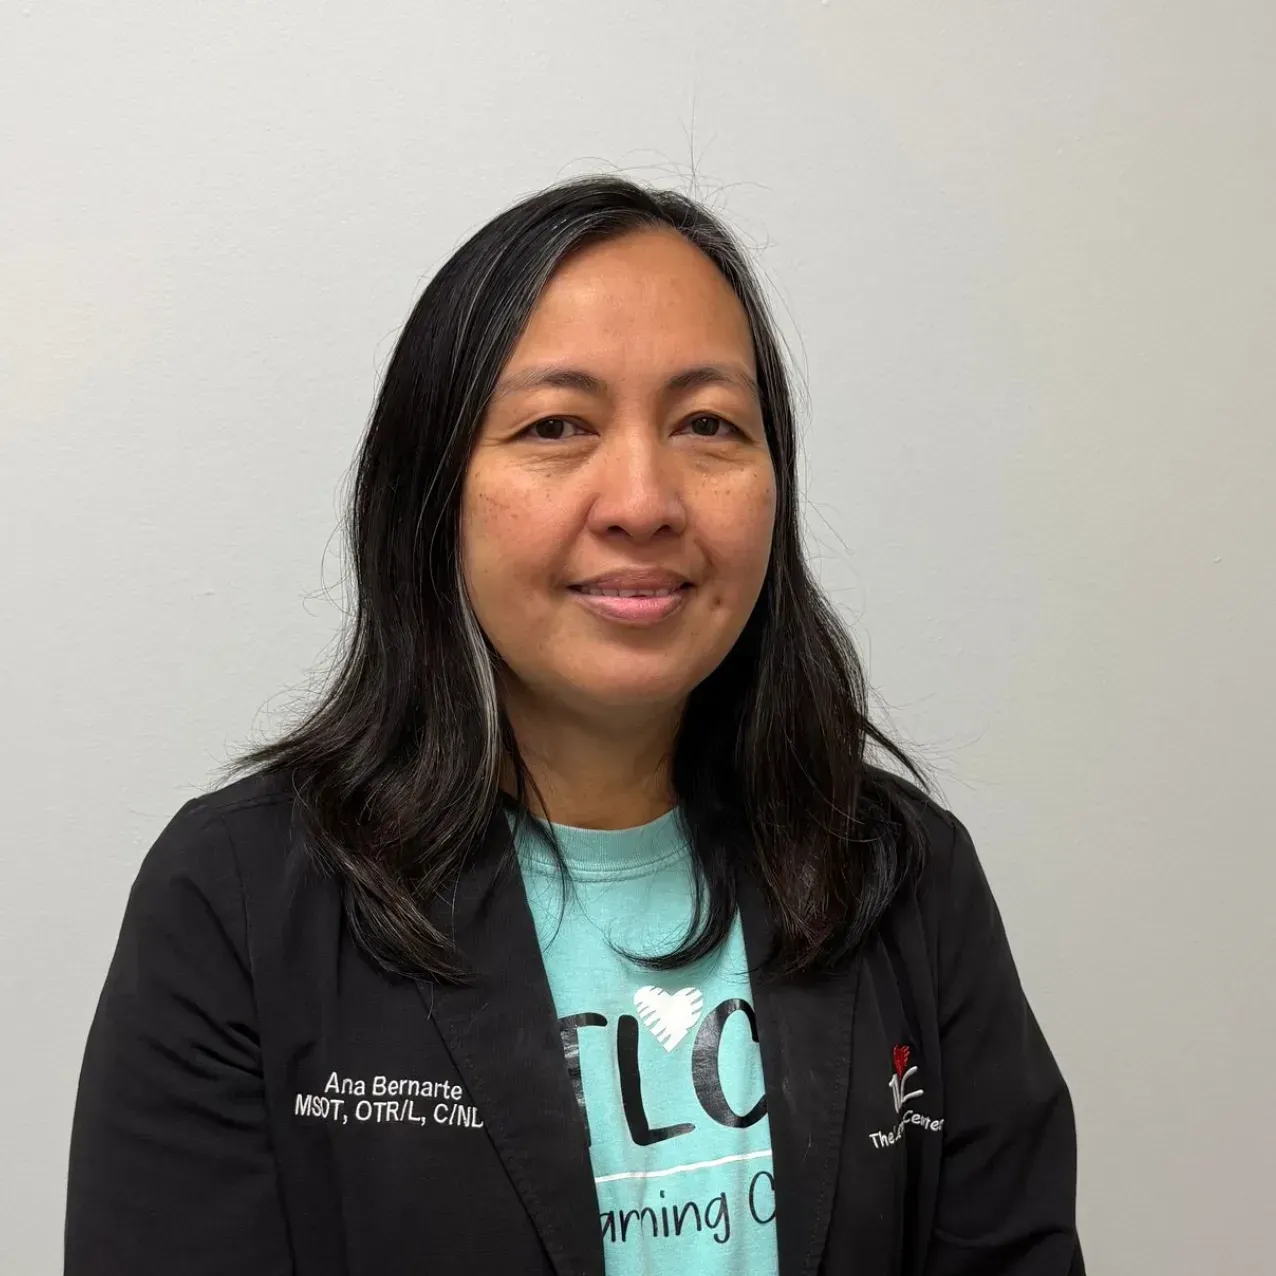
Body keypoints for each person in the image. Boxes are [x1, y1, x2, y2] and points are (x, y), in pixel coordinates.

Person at [64, 174, 1084, 1276]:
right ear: (432, 492)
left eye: (707, 424)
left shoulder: (904, 876)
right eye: (556, 426)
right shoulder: (240, 901)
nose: (642, 502)